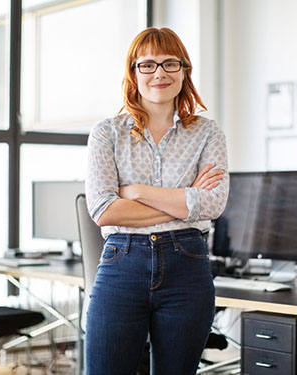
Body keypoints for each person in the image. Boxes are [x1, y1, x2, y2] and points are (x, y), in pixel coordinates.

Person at [84, 27, 229, 375]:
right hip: (122, 263)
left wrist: (135, 191)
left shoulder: (208, 133)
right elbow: (104, 211)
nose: (159, 73)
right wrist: (183, 198)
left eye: (169, 63)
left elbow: (212, 205)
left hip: (187, 265)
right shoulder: (107, 133)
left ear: (184, 71)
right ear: (133, 73)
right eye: (147, 65)